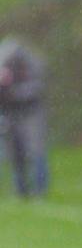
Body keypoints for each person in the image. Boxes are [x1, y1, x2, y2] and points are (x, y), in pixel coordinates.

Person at [0, 38, 49, 197]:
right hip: (10, 114)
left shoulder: (30, 66)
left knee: (36, 150)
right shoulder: (4, 68)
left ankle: (40, 189)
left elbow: (36, 89)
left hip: (31, 113)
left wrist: (14, 93)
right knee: (15, 153)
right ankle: (21, 190)